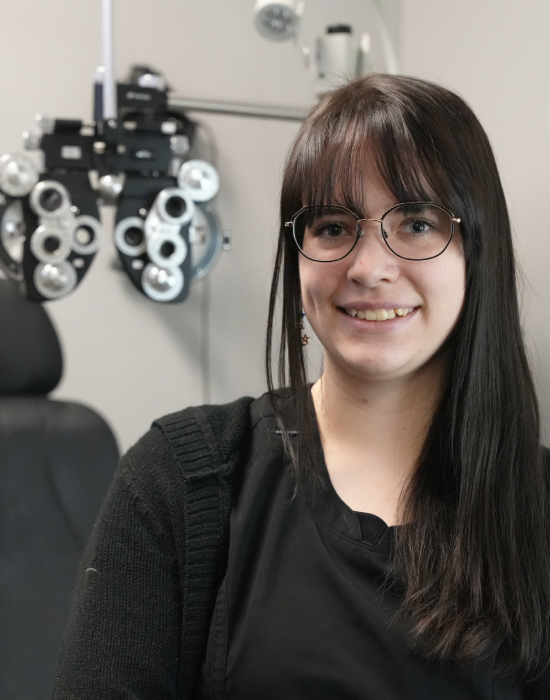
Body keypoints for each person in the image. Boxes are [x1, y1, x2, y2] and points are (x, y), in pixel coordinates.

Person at [53, 74, 550, 700]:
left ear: (477, 252)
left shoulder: (536, 508)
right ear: (298, 257)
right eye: (334, 227)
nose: (370, 268)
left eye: (418, 224)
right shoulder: (180, 480)